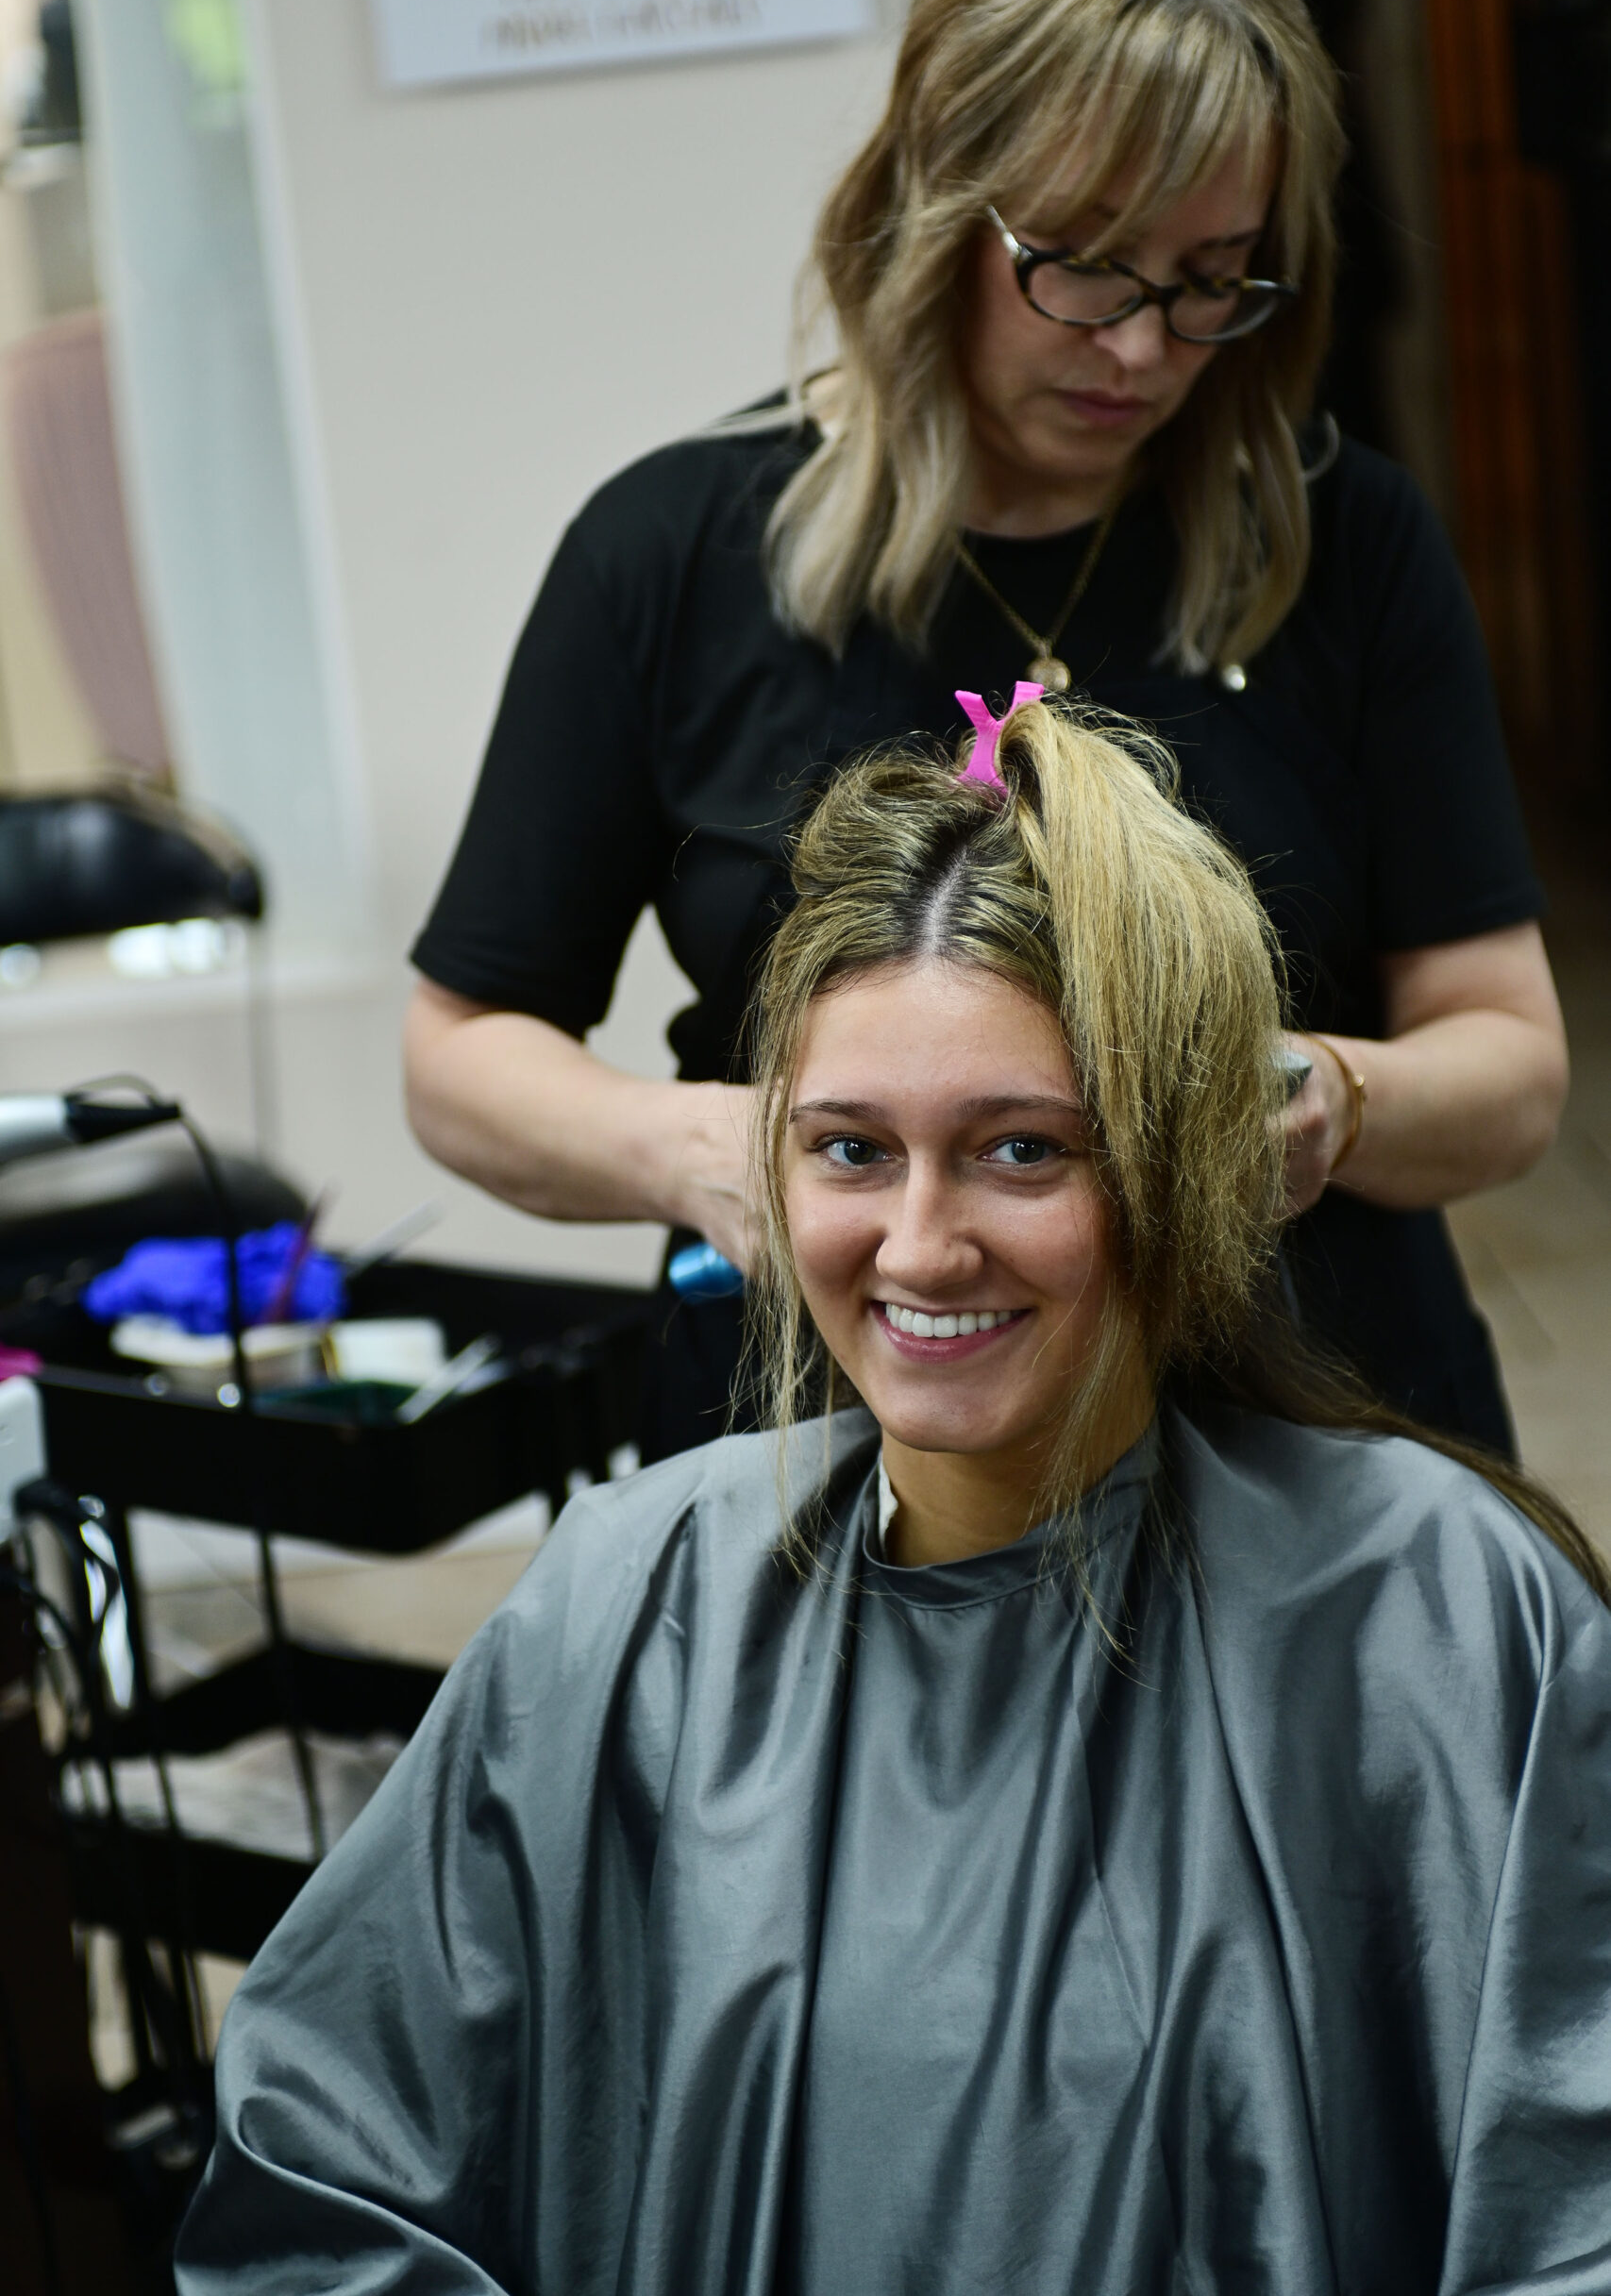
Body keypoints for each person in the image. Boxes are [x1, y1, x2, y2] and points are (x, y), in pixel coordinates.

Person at [179, 696, 1610, 2292]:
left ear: (1182, 1165)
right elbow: (318, 2176)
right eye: (852, 1151)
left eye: (1021, 1152)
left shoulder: (1439, 1619)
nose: (920, 1249)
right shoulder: (629, 1609)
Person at [405, 0, 1567, 1460]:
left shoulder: (1342, 539)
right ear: (930, 210)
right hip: (833, 1447)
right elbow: (459, 1059)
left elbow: (1510, 1064)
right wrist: (724, 1150)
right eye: (1083, 267)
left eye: (1212, 276)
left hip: (1309, 1438)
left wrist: (1331, 1104)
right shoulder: (668, 553)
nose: (1143, 349)